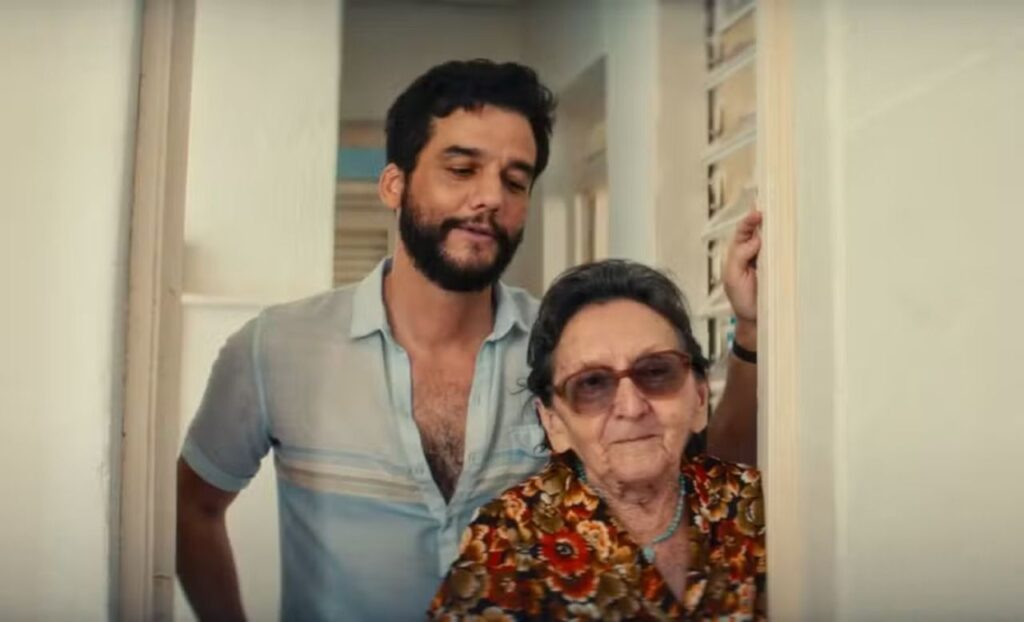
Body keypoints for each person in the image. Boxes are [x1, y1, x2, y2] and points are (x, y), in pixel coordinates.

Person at [176, 58, 760, 622]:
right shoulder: (275, 348)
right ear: (394, 184)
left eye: (515, 180)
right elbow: (192, 508)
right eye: (461, 170)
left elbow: (704, 484)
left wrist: (750, 330)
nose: (491, 198)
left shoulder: (568, 352)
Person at [429, 259, 765, 621]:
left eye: (656, 371)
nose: (631, 408)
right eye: (592, 384)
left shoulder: (755, 504)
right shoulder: (506, 541)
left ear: (699, 398)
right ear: (554, 423)